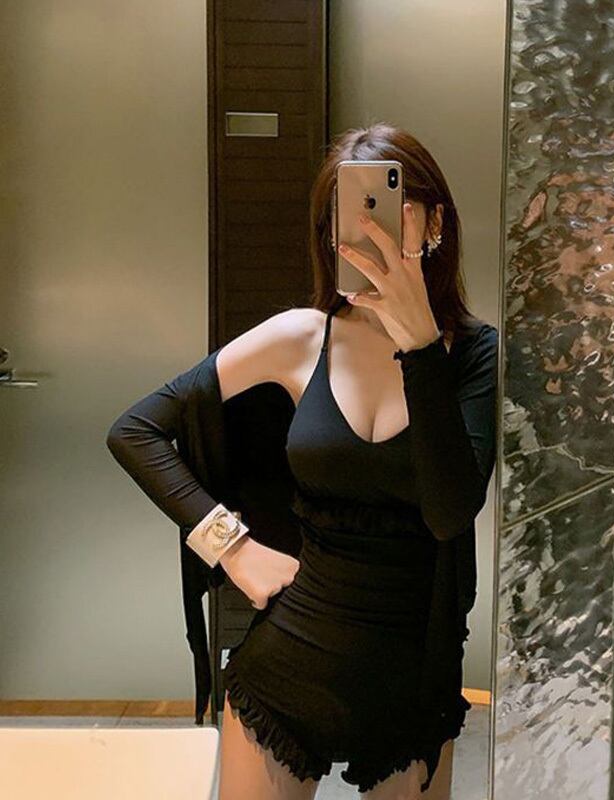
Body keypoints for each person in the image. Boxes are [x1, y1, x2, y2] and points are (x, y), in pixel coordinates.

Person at [106, 122, 498, 800]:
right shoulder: (300, 338)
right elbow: (135, 431)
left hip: (412, 681)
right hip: (288, 663)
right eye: (346, 222)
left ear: (434, 223)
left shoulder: (474, 357)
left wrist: (419, 346)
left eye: (386, 214)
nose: (365, 239)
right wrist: (231, 548)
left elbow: (449, 511)